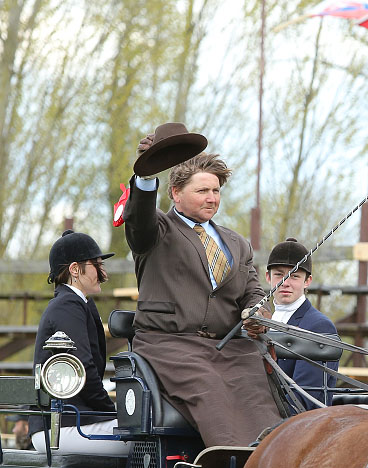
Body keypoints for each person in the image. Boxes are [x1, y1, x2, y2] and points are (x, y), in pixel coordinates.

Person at [123, 124, 282, 447]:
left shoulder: (236, 243)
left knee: (262, 403)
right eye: (202, 191)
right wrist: (145, 174)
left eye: (216, 191)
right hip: (170, 345)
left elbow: (253, 290)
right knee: (212, 396)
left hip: (230, 348)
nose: (212, 199)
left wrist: (257, 311)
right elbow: (139, 219)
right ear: (176, 194)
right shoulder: (157, 232)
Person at [30, 230, 128, 456]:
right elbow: (83, 370)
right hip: (58, 428)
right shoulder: (68, 307)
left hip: (69, 423)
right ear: (75, 269)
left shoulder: (75, 303)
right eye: (96, 265)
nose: (103, 273)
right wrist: (111, 412)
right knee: (143, 440)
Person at [266, 238, 338, 408]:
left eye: (295, 276)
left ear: (307, 281)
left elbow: (304, 403)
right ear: (268, 277)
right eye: (279, 274)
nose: (285, 283)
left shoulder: (319, 327)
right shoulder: (261, 322)